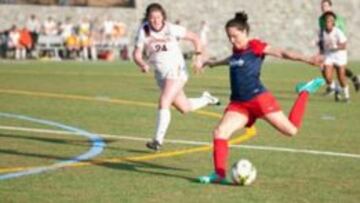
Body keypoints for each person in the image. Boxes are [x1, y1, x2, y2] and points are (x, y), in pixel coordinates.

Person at [197, 11, 325, 184]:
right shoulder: (236, 50)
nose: (232, 40)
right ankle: (219, 174)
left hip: (259, 100)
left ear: (244, 32)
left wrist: (307, 59)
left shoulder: (256, 46)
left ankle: (304, 91)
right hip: (239, 105)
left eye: (234, 36)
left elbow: (282, 53)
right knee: (220, 132)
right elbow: (231, 59)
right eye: (229, 37)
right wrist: (212, 63)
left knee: (291, 131)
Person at [132, 3, 220, 151]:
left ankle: (157, 140)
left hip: (177, 71)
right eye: (152, 17)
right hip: (161, 75)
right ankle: (206, 98)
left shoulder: (171, 29)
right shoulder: (144, 31)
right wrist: (141, 63)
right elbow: (136, 54)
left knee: (164, 100)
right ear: (147, 18)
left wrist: (198, 58)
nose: (155, 20)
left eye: (158, 17)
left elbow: (195, 38)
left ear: (163, 17)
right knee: (184, 108)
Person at [318, 0, 359, 93]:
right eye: (322, 6)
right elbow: (322, 34)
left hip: (337, 48)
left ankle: (337, 87)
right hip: (327, 47)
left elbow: (340, 33)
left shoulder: (336, 18)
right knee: (325, 67)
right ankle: (334, 86)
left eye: (325, 6)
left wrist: (336, 45)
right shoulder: (320, 19)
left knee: (337, 69)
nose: (323, 8)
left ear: (330, 7)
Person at [320, 11, 349, 102]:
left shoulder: (338, 32)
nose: (327, 23)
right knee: (327, 77)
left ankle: (346, 96)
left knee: (341, 77)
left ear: (333, 23)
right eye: (326, 21)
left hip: (340, 56)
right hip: (329, 55)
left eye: (329, 21)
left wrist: (335, 47)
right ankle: (335, 88)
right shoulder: (322, 32)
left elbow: (344, 45)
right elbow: (322, 44)